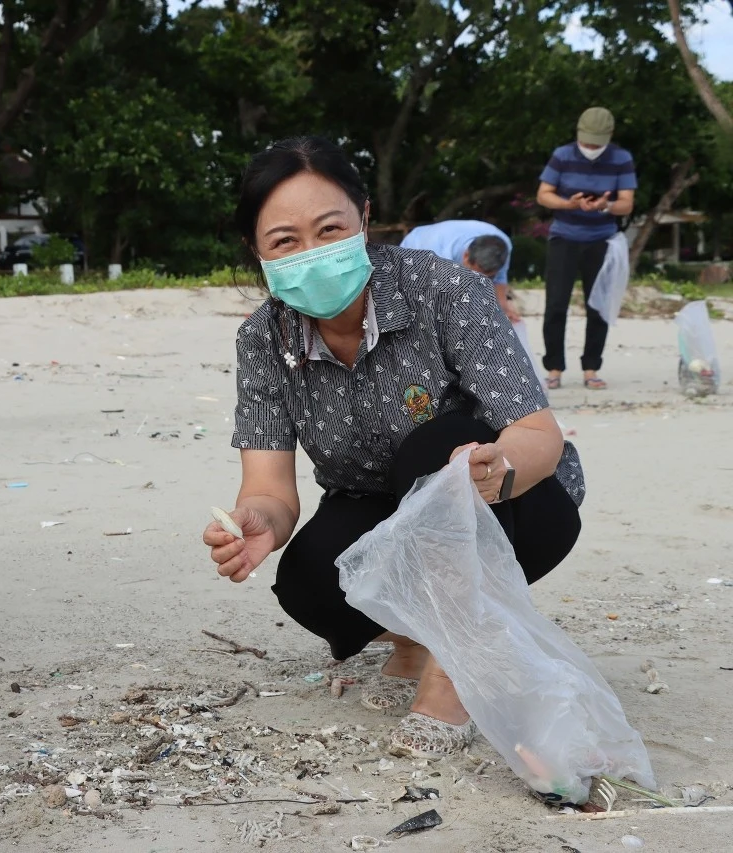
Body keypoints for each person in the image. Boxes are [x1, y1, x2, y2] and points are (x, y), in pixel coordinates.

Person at [202, 136, 585, 758]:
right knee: (308, 585)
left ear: (365, 219)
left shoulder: (449, 292)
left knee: (434, 444)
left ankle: (457, 661)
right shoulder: (261, 340)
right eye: (285, 241)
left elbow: (539, 434)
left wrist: (501, 467)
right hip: (380, 504)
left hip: (513, 505)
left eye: (330, 229)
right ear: (257, 251)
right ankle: (414, 640)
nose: (312, 253)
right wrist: (257, 524)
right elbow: (270, 490)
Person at [536, 107, 636, 391]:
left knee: (599, 306)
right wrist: (568, 203)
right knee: (556, 304)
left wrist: (605, 205)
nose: (590, 147)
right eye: (586, 140)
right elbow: (543, 195)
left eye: (596, 141)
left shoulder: (621, 158)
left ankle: (591, 368)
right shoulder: (563, 155)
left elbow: (627, 203)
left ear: (609, 136)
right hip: (564, 236)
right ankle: (554, 368)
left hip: (602, 239)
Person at [400, 220, 516, 323]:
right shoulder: (437, 253)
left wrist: (503, 309)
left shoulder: (502, 247)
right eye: (474, 274)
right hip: (415, 246)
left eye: (488, 277)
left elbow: (500, 278)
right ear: (466, 256)